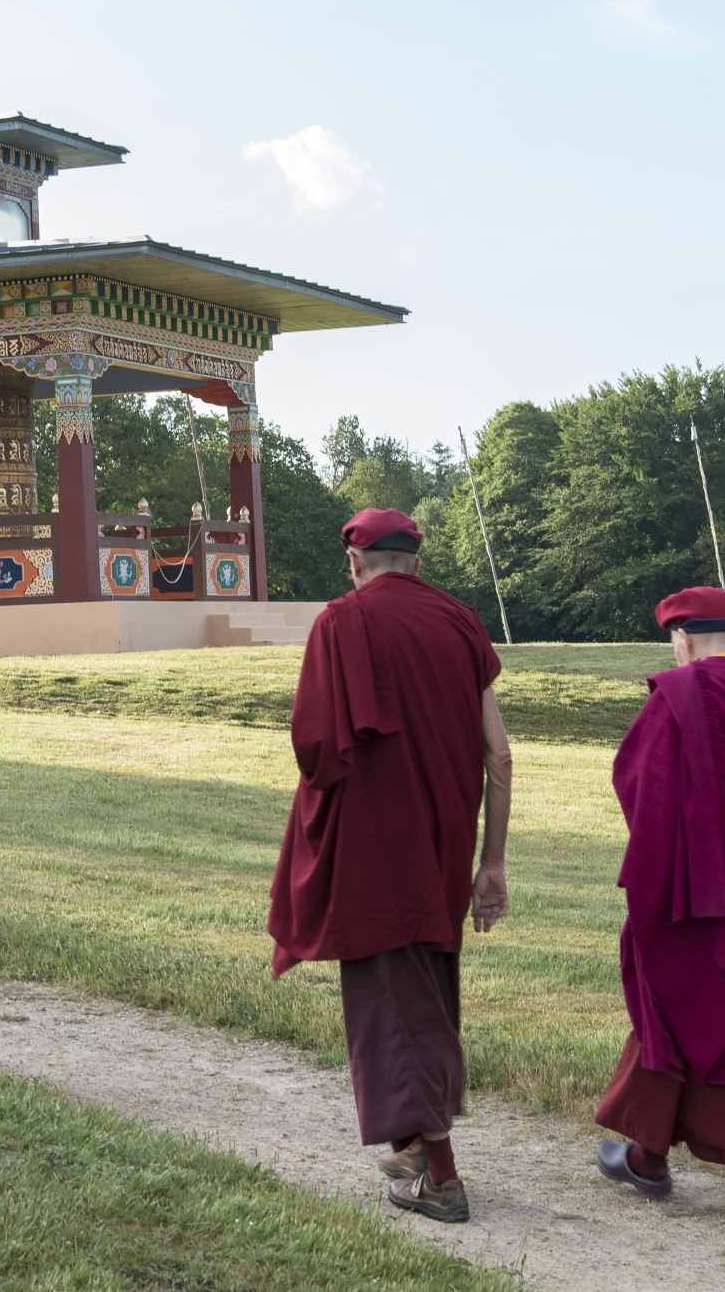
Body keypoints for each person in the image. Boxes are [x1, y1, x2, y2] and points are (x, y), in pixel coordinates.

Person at [268, 507, 512, 1225]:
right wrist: (491, 863)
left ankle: (440, 1177)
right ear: (416, 558)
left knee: (395, 1005)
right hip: (445, 843)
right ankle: (410, 1144)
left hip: (378, 845)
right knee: (424, 991)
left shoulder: (341, 623)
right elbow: (498, 752)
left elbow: (314, 747)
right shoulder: (463, 623)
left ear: (354, 562)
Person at [593, 586, 725, 1243]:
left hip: (688, 882)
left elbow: (638, 788)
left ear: (683, 635)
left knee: (670, 997)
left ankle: (651, 1156)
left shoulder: (675, 697)